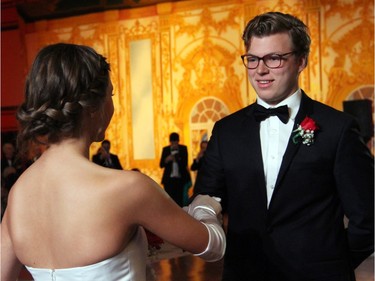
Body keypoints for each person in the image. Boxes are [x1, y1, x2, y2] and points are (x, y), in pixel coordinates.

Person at [1, 43, 226, 281]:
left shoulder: (18, 195)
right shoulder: (127, 189)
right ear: (92, 107)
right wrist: (205, 205)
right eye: (111, 94)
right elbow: (213, 245)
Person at [193, 11, 374, 281]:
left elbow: (368, 216)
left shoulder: (338, 128)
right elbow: (206, 198)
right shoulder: (225, 131)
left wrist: (333, 263)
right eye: (253, 59)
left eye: (274, 58)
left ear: (301, 61)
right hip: (246, 274)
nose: (260, 70)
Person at [159, 132, 191, 207]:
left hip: (180, 179)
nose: (174, 143)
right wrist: (167, 160)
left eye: (175, 141)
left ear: (178, 141)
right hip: (169, 180)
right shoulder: (166, 149)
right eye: (172, 142)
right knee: (169, 201)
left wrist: (177, 157)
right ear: (170, 142)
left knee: (180, 201)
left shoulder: (183, 148)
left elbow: (185, 163)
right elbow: (161, 165)